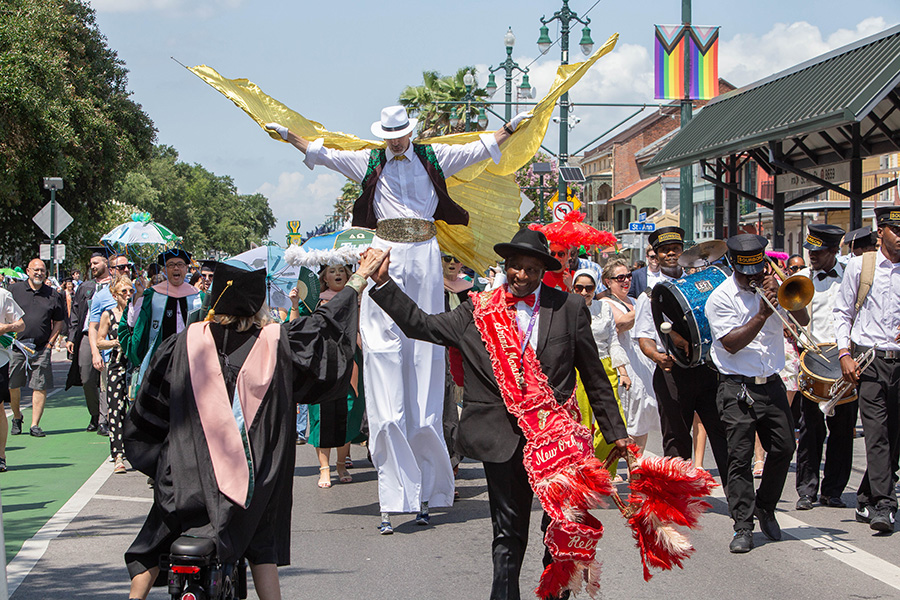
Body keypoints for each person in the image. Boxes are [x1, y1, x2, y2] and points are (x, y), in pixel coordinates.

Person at [265, 105, 530, 530]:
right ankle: (393, 497)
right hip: (383, 254)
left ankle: (428, 491)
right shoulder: (370, 160)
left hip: (425, 257)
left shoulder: (431, 157)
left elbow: (483, 147)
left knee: (426, 362)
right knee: (385, 372)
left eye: (400, 134)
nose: (394, 141)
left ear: (410, 131)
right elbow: (324, 151)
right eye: (389, 135)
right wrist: (288, 137)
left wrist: (514, 127)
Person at [366, 228, 628, 600]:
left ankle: (556, 592)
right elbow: (421, 325)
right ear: (505, 267)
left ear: (543, 270)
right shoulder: (478, 309)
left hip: (556, 440)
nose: (521, 276)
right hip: (500, 437)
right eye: (515, 267)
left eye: (531, 269)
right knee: (508, 531)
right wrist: (382, 284)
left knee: (562, 525)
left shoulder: (567, 308)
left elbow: (594, 375)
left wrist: (616, 431)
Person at [123, 250, 388, 600]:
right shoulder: (276, 342)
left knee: (159, 530)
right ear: (257, 304)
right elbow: (323, 324)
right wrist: (360, 278)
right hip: (254, 481)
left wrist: (161, 462)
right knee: (261, 544)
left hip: (186, 477)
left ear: (214, 299)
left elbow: (149, 406)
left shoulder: (185, 342)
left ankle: (134, 597)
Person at [705, 234, 808, 553]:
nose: (753, 277)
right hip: (736, 385)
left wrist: (787, 294)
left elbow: (802, 321)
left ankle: (765, 505)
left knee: (785, 447)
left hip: (771, 382)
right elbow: (731, 344)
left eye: (758, 269)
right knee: (739, 457)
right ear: (734, 266)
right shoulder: (721, 298)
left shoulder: (774, 286)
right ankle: (743, 526)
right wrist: (762, 313)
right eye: (745, 272)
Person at [633, 228, 729, 480]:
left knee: (722, 432)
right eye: (665, 250)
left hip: (706, 368)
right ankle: (679, 498)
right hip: (672, 371)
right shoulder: (649, 294)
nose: (671, 253)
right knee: (676, 439)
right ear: (657, 254)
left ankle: (738, 498)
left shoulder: (698, 283)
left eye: (675, 248)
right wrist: (657, 357)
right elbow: (644, 337)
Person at [834, 206, 900, 532]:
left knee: (895, 437)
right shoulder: (861, 266)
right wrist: (844, 353)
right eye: (896, 230)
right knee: (876, 434)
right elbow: (842, 313)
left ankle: (865, 495)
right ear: (881, 232)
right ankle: (885, 506)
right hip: (870, 361)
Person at [793, 224, 857, 511]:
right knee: (810, 428)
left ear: (834, 250)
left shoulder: (850, 276)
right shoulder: (800, 278)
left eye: (818, 252)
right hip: (814, 359)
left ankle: (833, 491)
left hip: (844, 360)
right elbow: (792, 317)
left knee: (842, 429)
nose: (812, 256)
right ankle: (806, 490)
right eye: (810, 250)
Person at [306, 264, 365, 489]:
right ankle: (324, 468)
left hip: (351, 361)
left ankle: (341, 464)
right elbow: (298, 326)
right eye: (332, 270)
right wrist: (294, 305)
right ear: (324, 277)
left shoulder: (357, 301)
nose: (337, 274)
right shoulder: (313, 301)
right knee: (321, 414)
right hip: (323, 363)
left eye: (341, 270)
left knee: (348, 412)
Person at [572, 269, 629, 480]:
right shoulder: (568, 308)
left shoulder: (603, 308)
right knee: (583, 424)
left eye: (589, 288)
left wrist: (623, 370)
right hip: (578, 369)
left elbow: (613, 340)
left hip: (605, 365)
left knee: (615, 423)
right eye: (579, 287)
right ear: (573, 288)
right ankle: (583, 471)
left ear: (596, 289)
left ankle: (604, 471)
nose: (584, 292)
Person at [598, 258, 658, 452]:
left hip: (644, 360)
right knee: (630, 412)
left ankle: (638, 464)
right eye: (620, 278)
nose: (626, 281)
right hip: (625, 361)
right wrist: (644, 303)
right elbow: (622, 323)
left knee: (645, 411)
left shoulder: (634, 301)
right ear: (608, 281)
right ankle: (627, 460)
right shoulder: (605, 303)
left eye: (629, 276)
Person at [126, 248, 203, 391]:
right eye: (171, 265)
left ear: (186, 268)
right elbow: (133, 323)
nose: (176, 268)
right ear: (164, 270)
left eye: (180, 264)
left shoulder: (198, 297)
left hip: (190, 359)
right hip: (159, 358)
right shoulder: (152, 294)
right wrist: (138, 296)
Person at [8, 259, 65, 438]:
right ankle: (17, 416)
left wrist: (50, 344)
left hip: (41, 348)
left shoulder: (53, 294)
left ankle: (35, 425)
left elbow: (58, 322)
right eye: (36, 270)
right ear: (28, 271)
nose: (39, 273)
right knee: (13, 385)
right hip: (17, 347)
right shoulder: (14, 291)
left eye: (42, 270)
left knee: (39, 385)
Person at [66, 247, 113, 431]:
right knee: (86, 377)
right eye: (91, 264)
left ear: (106, 263)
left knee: (106, 378)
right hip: (87, 335)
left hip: (109, 335)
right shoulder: (85, 287)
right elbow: (76, 313)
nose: (92, 266)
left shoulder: (115, 286)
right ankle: (94, 413)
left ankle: (104, 419)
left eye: (96, 263)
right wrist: (71, 337)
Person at [86, 253, 131, 437]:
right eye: (121, 267)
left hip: (134, 358)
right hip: (112, 358)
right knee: (113, 401)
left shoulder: (137, 291)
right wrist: (96, 353)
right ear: (111, 270)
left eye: (128, 266)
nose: (126, 270)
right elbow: (93, 327)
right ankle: (107, 427)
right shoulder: (101, 296)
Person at [97, 274, 133, 474]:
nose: (128, 295)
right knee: (115, 409)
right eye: (123, 292)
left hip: (133, 365)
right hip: (117, 364)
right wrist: (115, 342)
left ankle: (136, 450)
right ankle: (118, 454)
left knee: (135, 408)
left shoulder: (136, 313)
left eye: (130, 291)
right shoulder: (108, 315)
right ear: (114, 294)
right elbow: (99, 340)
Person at [442, 253, 471, 486]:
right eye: (446, 258)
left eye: (457, 259)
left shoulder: (468, 290)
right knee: (441, 415)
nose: (452, 263)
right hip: (437, 355)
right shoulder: (430, 287)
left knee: (455, 417)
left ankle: (452, 470)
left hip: (461, 358)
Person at [0, 287, 25, 471]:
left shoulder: (3, 295)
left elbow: (20, 324)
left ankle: (1, 455)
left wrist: (5, 328)